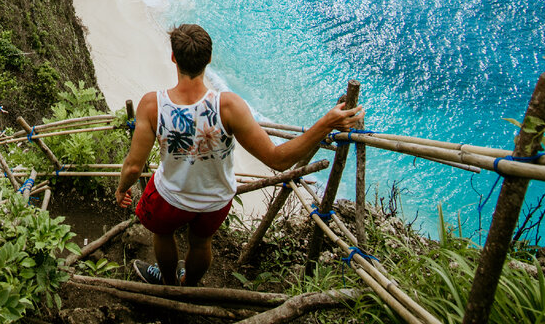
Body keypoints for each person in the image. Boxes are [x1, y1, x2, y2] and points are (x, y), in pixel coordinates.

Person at [115, 24, 364, 286]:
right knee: (201, 243)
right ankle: (188, 286)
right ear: (209, 60)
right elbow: (278, 159)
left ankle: (167, 282)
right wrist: (325, 123)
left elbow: (133, 167)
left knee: (163, 235)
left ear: (174, 57)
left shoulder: (153, 104)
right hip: (215, 200)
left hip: (170, 196)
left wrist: (123, 189)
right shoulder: (229, 106)